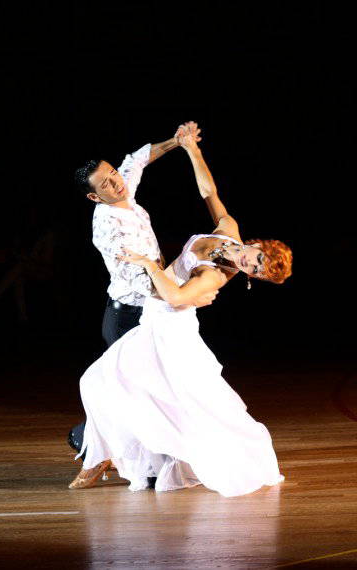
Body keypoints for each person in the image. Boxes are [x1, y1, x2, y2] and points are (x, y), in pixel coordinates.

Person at [68, 126, 292, 496]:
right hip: (140, 312)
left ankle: (118, 455)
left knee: (145, 393)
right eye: (258, 258)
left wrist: (156, 268)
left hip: (162, 320)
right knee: (130, 391)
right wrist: (188, 147)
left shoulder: (216, 275)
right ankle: (113, 453)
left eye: (255, 271)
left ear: (252, 277)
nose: (251, 264)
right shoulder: (229, 231)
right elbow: (209, 191)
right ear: (257, 244)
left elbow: (172, 297)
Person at [69, 123, 218, 461]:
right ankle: (91, 441)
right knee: (136, 391)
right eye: (106, 183)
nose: (115, 181)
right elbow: (144, 281)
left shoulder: (121, 190)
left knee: (155, 386)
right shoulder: (110, 228)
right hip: (130, 317)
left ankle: (153, 455)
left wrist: (176, 142)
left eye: (112, 174)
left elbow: (136, 160)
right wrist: (187, 296)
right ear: (94, 197)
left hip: (151, 309)